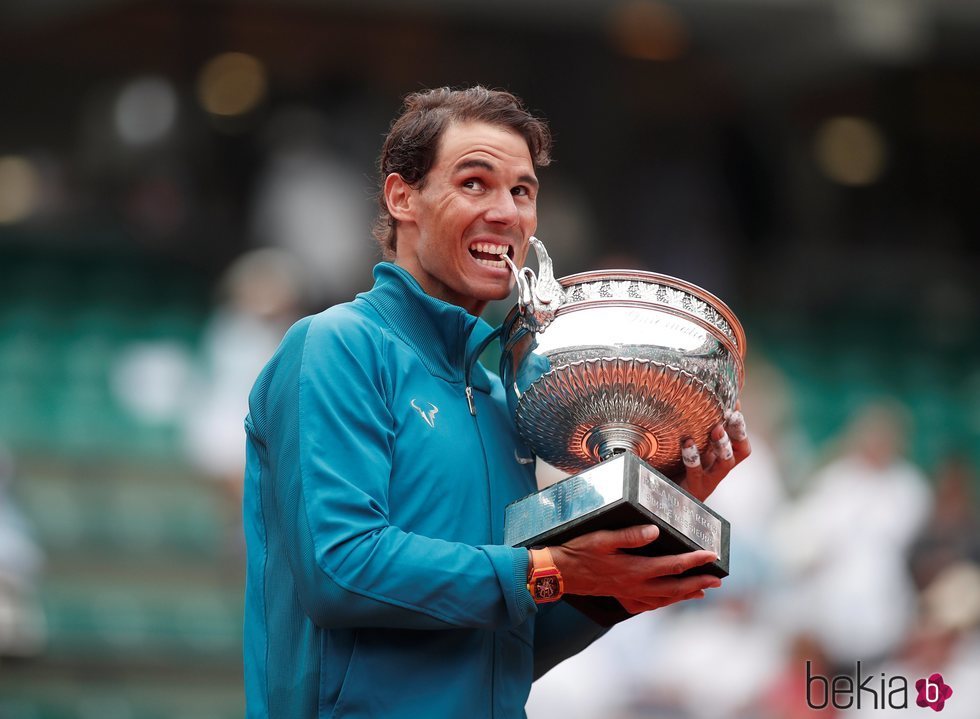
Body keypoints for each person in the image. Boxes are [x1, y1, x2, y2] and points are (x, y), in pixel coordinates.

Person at [242, 86, 751, 719]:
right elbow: (340, 568)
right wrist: (548, 570)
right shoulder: (337, 345)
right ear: (403, 198)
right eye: (475, 183)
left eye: (522, 191)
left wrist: (628, 565)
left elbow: (504, 646)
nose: (506, 212)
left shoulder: (500, 397)